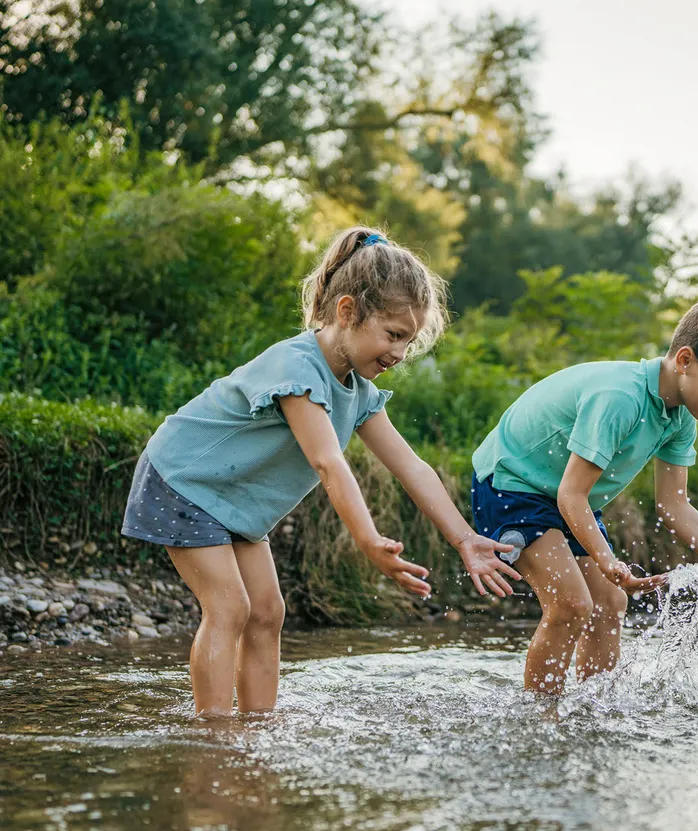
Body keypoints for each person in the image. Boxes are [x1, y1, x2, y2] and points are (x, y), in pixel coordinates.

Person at [121, 227, 520, 717]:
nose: (399, 353)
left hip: (233, 501)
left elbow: (411, 466)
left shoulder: (360, 391)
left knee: (268, 614)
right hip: (184, 481)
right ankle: (214, 737)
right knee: (231, 608)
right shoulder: (298, 367)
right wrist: (369, 541)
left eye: (408, 341)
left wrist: (463, 538)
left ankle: (257, 726)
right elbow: (327, 462)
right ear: (347, 311)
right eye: (393, 335)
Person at [471, 296, 698, 695]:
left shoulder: (679, 420)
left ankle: (594, 711)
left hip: (567, 499)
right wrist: (607, 559)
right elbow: (571, 495)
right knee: (572, 605)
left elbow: (674, 504)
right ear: (684, 360)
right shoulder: (621, 398)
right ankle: (540, 718)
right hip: (511, 483)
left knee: (611, 604)